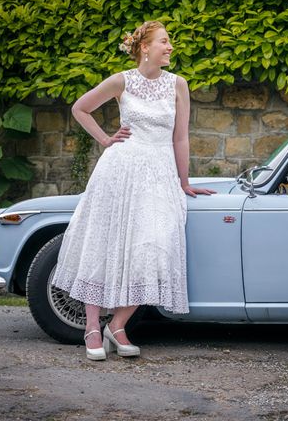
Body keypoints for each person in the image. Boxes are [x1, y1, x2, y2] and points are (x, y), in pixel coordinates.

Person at [51, 21, 215, 361]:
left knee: (154, 247)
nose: (170, 47)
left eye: (169, 42)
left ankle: (119, 324)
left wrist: (183, 182)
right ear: (145, 48)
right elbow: (80, 108)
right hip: (120, 170)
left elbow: (180, 137)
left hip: (158, 174)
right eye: (165, 42)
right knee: (103, 244)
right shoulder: (122, 80)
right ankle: (93, 327)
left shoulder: (178, 85)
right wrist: (106, 140)